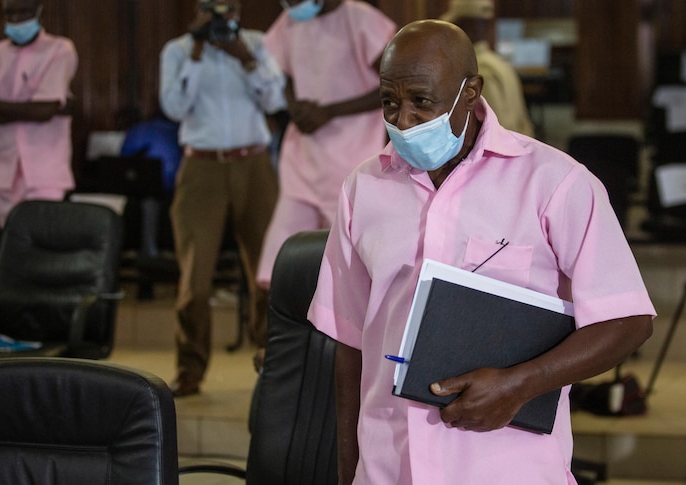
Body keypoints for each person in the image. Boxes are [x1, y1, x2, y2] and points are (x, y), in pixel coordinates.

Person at [307, 20, 656, 483]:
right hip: (390, 466)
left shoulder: (554, 184)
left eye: (422, 102)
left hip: (507, 466)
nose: (403, 121)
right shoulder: (363, 188)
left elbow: (628, 320)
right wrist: (348, 470)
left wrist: (520, 385)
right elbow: (349, 343)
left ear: (470, 92)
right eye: (390, 103)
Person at [159, 0, 286, 397]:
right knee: (195, 278)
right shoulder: (178, 50)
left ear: (239, 10)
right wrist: (198, 51)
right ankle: (191, 368)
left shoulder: (258, 44)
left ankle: (272, 362)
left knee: (268, 272)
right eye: (211, 9)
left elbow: (276, 101)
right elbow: (174, 107)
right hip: (202, 168)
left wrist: (245, 58)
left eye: (228, 8)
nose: (221, 17)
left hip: (254, 163)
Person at [254, 0, 397, 298]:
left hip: (351, 155)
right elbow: (286, 75)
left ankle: (336, 336)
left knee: (344, 262)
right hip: (303, 153)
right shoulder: (290, 21)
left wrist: (330, 111)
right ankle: (275, 339)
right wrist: (295, 108)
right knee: (278, 260)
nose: (292, 4)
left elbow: (392, 84)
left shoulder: (361, 19)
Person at [0, 0, 78, 228]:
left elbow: (44, 111)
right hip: (5, 166)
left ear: (39, 11)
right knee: (11, 247)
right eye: (11, 13)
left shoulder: (60, 49)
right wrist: (35, 108)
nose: (17, 20)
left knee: (44, 246)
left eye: (24, 12)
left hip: (45, 169)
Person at [440, 0, 534, 137]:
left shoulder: (478, 71)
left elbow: (493, 131)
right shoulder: (502, 65)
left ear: (466, 26)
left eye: (456, 26)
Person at [119, 111, 182, 260]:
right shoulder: (143, 131)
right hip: (151, 190)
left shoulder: (185, 131)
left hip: (183, 188)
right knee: (150, 202)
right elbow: (123, 164)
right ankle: (150, 255)